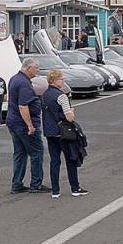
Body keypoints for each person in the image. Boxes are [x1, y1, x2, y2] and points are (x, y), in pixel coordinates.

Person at [41, 70, 89, 198]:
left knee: (54, 161)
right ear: (55, 80)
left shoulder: (44, 95)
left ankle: (55, 191)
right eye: (61, 79)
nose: (63, 81)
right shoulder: (61, 96)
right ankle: (75, 187)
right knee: (70, 159)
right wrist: (72, 111)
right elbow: (69, 117)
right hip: (64, 132)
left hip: (50, 132)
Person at [7, 58, 49, 194]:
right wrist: (30, 125)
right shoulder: (24, 83)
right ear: (28, 68)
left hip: (13, 122)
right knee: (36, 152)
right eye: (36, 68)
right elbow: (23, 106)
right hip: (22, 124)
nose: (37, 70)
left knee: (20, 153)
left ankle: (17, 184)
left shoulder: (14, 79)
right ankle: (36, 184)